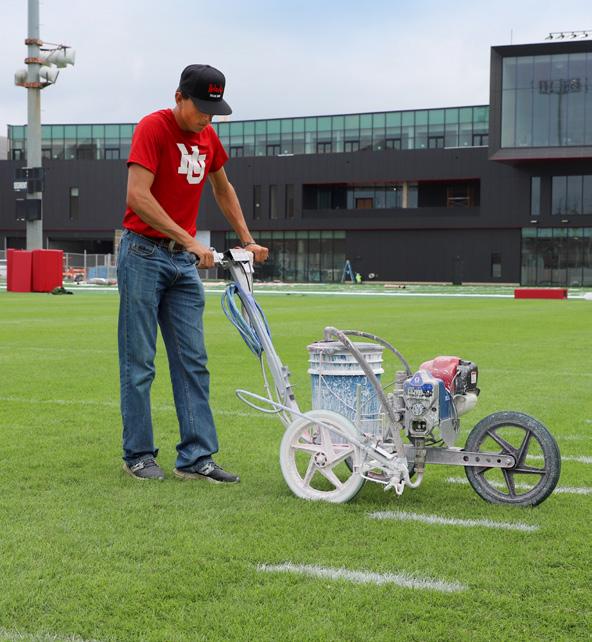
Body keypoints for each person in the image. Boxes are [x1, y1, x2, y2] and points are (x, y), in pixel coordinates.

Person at [117, 64, 268, 483]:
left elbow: (223, 188)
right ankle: (138, 455)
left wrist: (247, 239)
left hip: (182, 263)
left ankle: (196, 458)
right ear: (179, 97)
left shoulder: (208, 136)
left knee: (193, 361)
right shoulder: (153, 128)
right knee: (139, 361)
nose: (207, 117)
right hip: (143, 254)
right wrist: (190, 240)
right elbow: (137, 196)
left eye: (213, 110)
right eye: (201, 108)